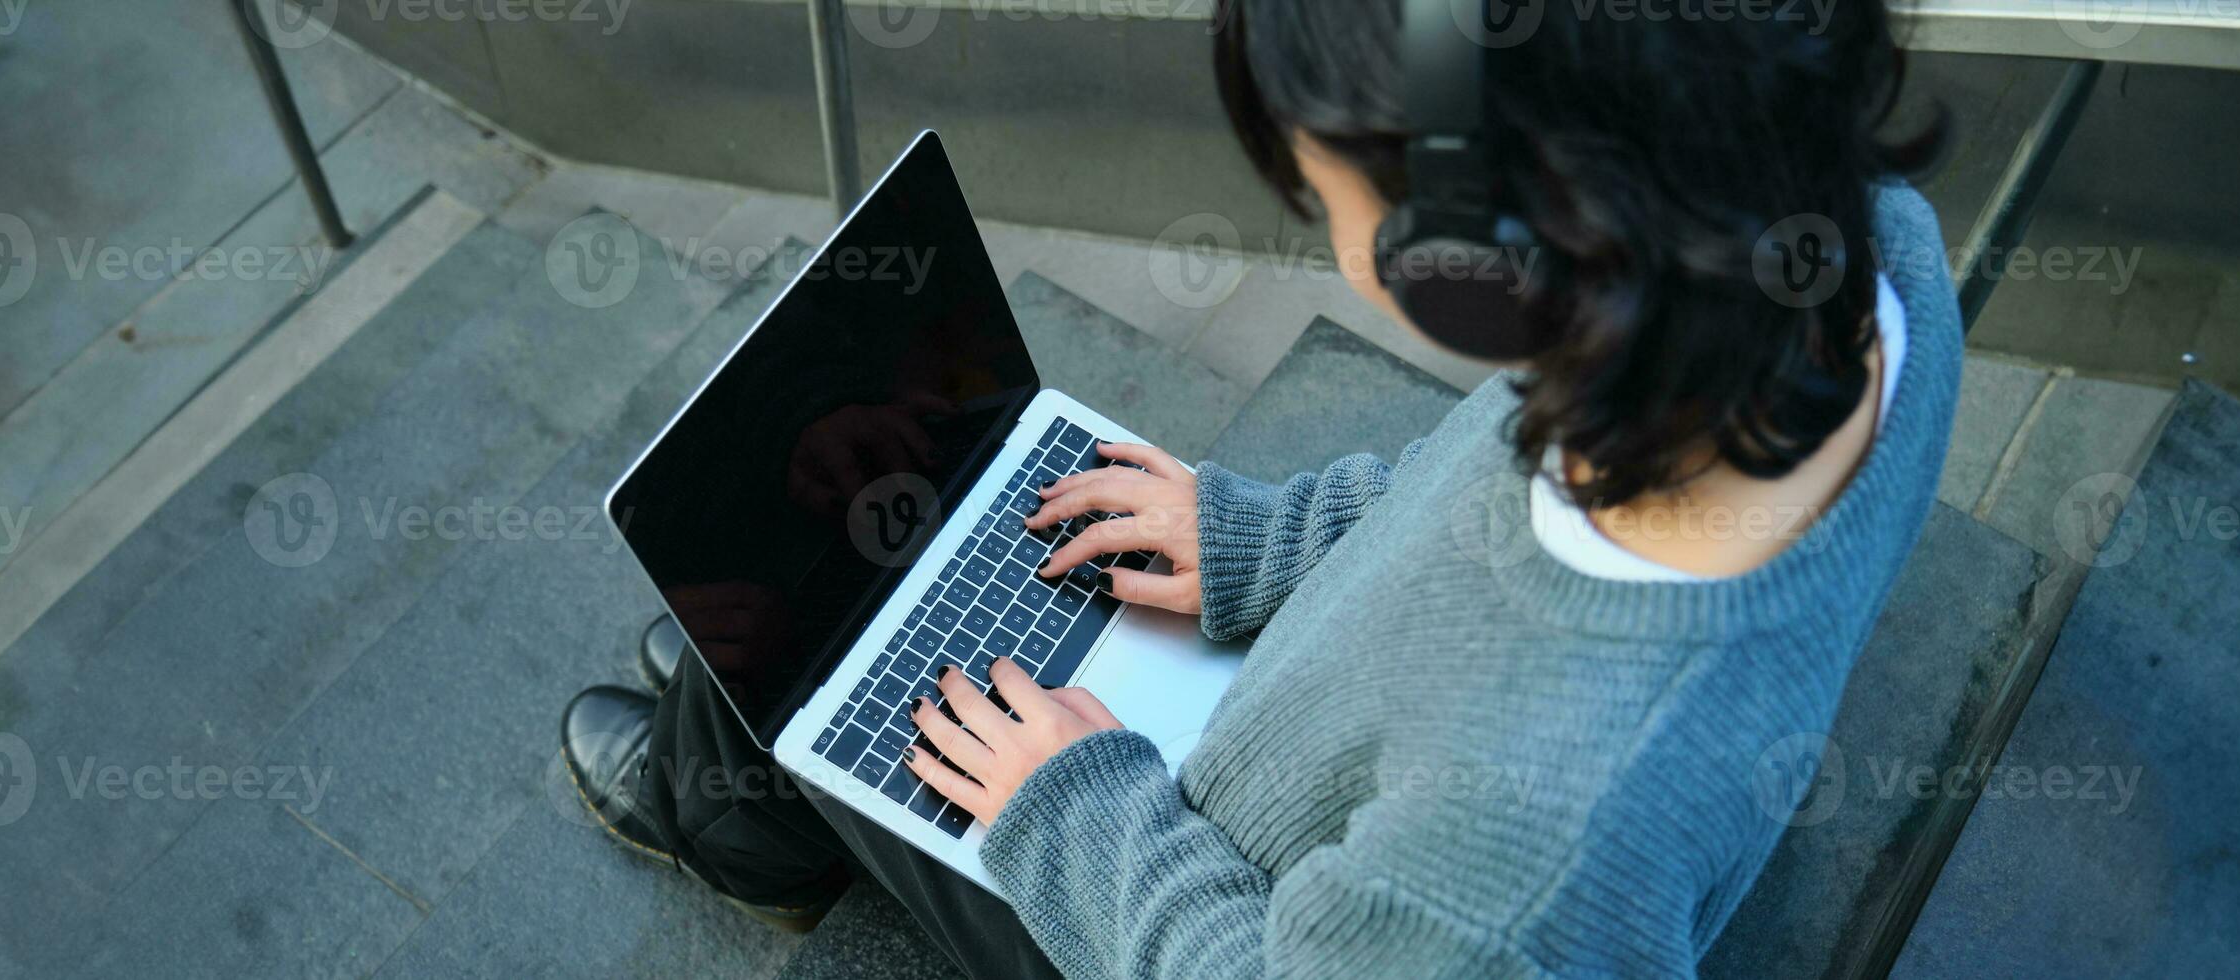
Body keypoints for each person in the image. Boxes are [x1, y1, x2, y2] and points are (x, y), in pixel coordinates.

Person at [557, 0, 1957, 974]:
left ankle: (743, 824)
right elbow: (1494, 488)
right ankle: (750, 726)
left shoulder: (1515, 868)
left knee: (802, 661)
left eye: (1325, 196)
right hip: (1343, 788)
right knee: (853, 599)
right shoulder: (1842, 251)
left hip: (1187, 893)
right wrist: (1267, 539)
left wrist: (1074, 810)